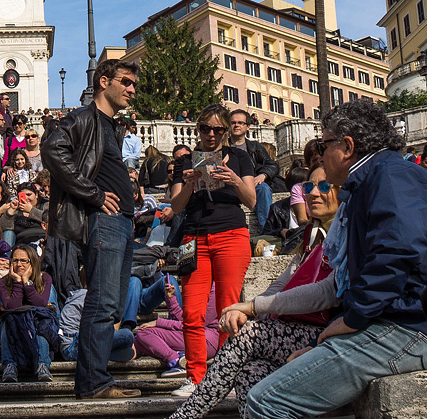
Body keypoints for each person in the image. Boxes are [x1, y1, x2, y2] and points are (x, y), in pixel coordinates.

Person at [244, 100, 427, 419]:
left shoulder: (391, 176)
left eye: (324, 143)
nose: (319, 152)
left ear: (347, 146)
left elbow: (397, 254)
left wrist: (352, 321)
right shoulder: (373, 180)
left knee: (266, 400)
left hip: (408, 327)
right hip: (392, 321)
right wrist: (321, 343)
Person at [167, 165, 342, 418]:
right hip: (304, 331)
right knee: (251, 372)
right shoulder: (310, 237)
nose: (313, 193)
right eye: (308, 186)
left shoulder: (344, 234)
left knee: (248, 335)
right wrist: (249, 309)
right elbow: (281, 284)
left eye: (324, 186)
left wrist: (252, 309)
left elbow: (325, 293)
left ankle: (185, 415)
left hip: (332, 337)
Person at [41, 58, 143, 400]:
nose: (131, 89)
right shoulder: (84, 118)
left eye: (133, 84)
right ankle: (92, 384)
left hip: (125, 221)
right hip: (106, 222)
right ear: (103, 81)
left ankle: (96, 380)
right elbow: (52, 148)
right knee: (101, 303)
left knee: (111, 305)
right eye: (125, 82)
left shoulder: (112, 126)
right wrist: (94, 194)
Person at [167, 103, 256, 398]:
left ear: (227, 131)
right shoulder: (185, 161)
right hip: (193, 238)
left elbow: (252, 201)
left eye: (219, 129)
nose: (212, 135)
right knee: (191, 312)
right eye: (206, 128)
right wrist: (190, 184)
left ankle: (225, 375)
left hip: (231, 234)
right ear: (198, 129)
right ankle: (196, 377)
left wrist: (232, 179)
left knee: (228, 309)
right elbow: (176, 207)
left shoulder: (241, 157)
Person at [0, 244, 57, 383]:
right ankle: (10, 366)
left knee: (41, 323)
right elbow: (12, 306)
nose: (19, 264)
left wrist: (27, 282)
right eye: (15, 260)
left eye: (23, 261)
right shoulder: (3, 282)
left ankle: (42, 365)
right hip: (15, 323)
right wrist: (18, 282)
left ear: (32, 262)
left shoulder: (45, 279)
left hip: (39, 320)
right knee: (8, 320)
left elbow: (40, 303)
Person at [136, 283, 217, 379]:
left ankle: (176, 360)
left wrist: (159, 322)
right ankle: (181, 355)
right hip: (196, 336)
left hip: (206, 340)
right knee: (138, 341)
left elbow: (199, 323)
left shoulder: (215, 289)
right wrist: (170, 298)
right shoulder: (201, 285)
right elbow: (185, 320)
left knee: (144, 333)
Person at [228, 109, 279, 231]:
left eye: (241, 123)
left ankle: (266, 231)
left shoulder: (255, 147)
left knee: (264, 188)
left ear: (248, 127)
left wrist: (263, 175)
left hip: (251, 186)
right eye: (233, 122)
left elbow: (272, 165)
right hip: (228, 186)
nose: (237, 125)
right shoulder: (222, 147)